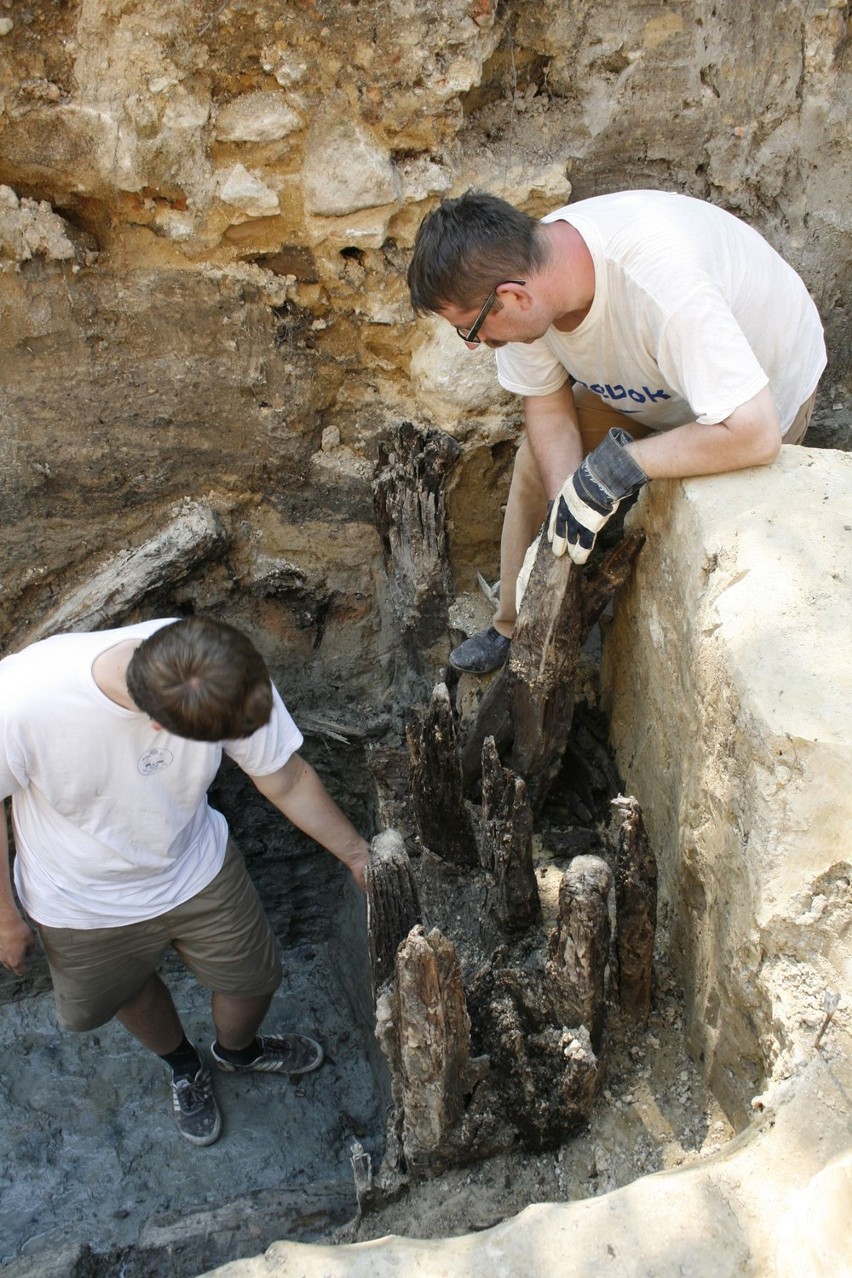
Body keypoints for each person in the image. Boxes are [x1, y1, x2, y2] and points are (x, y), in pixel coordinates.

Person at [407, 188, 827, 672]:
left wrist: (622, 467)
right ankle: (517, 624)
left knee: (686, 518)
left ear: (512, 296)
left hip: (757, 399)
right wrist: (568, 501)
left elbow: (755, 433)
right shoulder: (526, 282)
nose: (474, 344)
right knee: (534, 465)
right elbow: (548, 407)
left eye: (471, 329)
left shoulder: (661, 285)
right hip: (653, 385)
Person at [0, 615, 370, 1146]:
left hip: (195, 866)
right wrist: (5, 916)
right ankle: (182, 1064)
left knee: (252, 978)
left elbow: (285, 777)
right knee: (126, 990)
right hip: (81, 900)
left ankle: (237, 1052)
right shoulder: (20, 701)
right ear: (157, 726)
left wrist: (357, 856)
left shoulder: (222, 667)